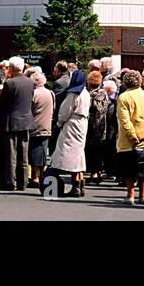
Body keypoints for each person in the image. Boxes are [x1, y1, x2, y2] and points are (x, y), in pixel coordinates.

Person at [115, 69, 144, 205]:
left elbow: (124, 119)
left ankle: (130, 195)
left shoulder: (123, 97)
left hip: (128, 139)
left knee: (128, 169)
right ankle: (143, 195)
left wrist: (132, 134)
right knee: (143, 167)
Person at [50, 68, 91, 196]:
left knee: (69, 154)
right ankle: (79, 183)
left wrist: (59, 123)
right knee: (79, 154)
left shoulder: (73, 93)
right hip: (82, 123)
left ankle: (75, 187)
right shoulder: (86, 92)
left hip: (72, 124)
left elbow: (64, 112)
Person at [0, 56, 36, 191]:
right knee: (24, 154)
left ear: (12, 68)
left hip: (12, 121)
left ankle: (10, 181)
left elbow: (2, 103)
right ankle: (23, 182)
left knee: (11, 154)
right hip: (26, 120)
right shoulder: (30, 82)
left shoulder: (9, 83)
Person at [85, 69, 112, 182]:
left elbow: (88, 111)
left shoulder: (90, 95)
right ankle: (99, 172)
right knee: (100, 150)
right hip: (103, 126)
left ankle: (93, 174)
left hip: (92, 126)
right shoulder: (104, 94)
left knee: (92, 151)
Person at [30, 70, 55, 187]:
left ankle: (34, 177)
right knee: (44, 152)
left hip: (34, 127)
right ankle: (43, 175)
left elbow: (29, 110)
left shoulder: (33, 94)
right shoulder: (51, 93)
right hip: (47, 126)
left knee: (34, 152)